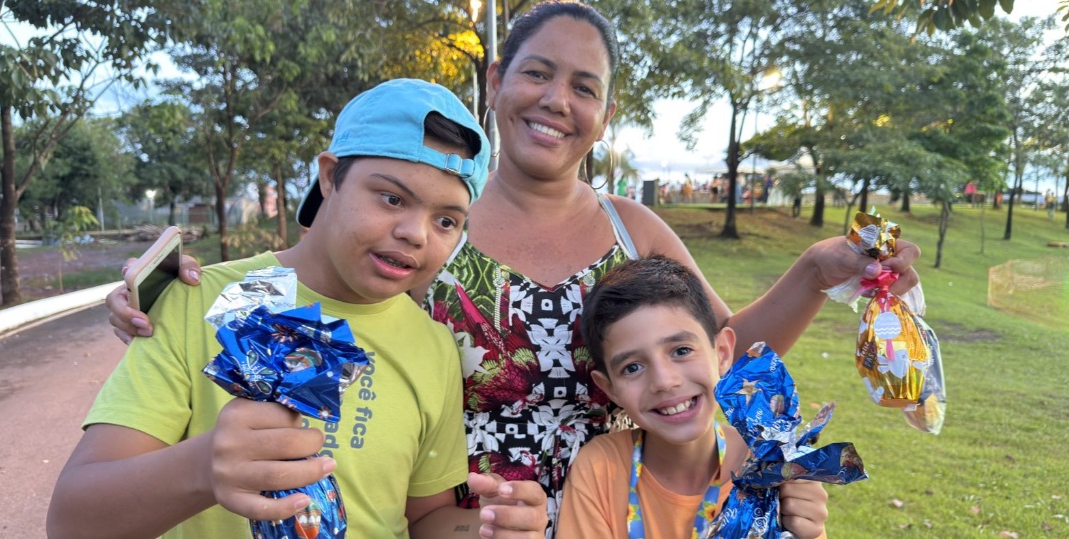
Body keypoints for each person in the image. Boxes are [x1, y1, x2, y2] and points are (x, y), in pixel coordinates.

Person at [105, 2, 920, 534]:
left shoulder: (630, 230)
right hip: (463, 523)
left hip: (617, 516)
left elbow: (726, 351)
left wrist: (815, 274)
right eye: (536, 71)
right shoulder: (433, 233)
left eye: (585, 86)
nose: (556, 99)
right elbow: (324, 288)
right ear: (497, 82)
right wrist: (177, 296)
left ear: (604, 114)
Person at [48, 79, 548, 539]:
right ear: (330, 177)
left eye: (446, 221)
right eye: (392, 198)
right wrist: (202, 469)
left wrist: (486, 528)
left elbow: (426, 518)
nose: (416, 233)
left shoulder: (435, 347)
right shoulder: (200, 299)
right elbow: (73, 520)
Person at [555, 256, 828, 538]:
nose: (664, 381)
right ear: (610, 389)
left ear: (722, 353)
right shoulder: (601, 468)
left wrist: (808, 531)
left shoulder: (772, 469)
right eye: (632, 367)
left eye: (681, 350)